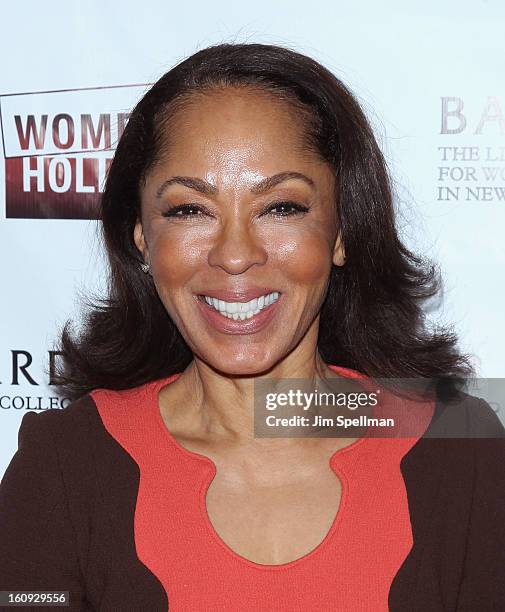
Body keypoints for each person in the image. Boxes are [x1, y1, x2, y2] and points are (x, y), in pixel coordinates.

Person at [0, 42, 504, 612]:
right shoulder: (67, 466)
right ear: (141, 236)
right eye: (188, 210)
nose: (235, 254)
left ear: (341, 231)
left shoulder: (461, 451)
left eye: (281, 207)